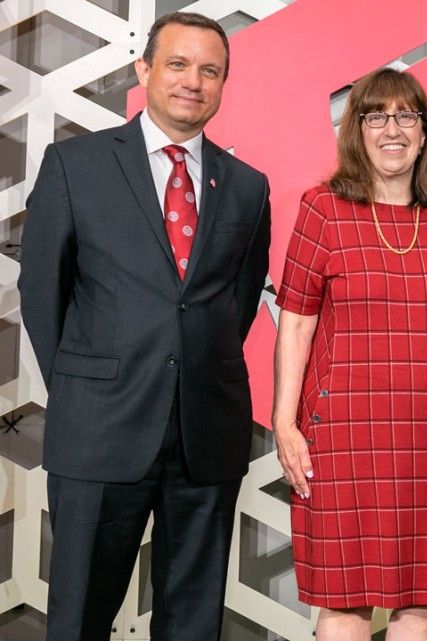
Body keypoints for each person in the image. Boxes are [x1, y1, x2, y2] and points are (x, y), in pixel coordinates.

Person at [17, 12, 271, 641]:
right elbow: (41, 293)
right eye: (179, 64)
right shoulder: (75, 165)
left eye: (210, 70)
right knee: (79, 618)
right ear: (144, 71)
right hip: (100, 430)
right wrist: (86, 387)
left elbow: (233, 309)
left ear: (223, 84)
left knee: (192, 623)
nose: (194, 81)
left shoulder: (247, 187)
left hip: (206, 434)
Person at [272, 68, 427, 641]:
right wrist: (284, 423)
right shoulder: (324, 208)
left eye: (406, 115)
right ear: (356, 130)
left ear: (425, 130)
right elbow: (296, 320)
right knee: (344, 603)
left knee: (426, 601)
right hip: (342, 434)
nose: (393, 129)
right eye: (376, 116)